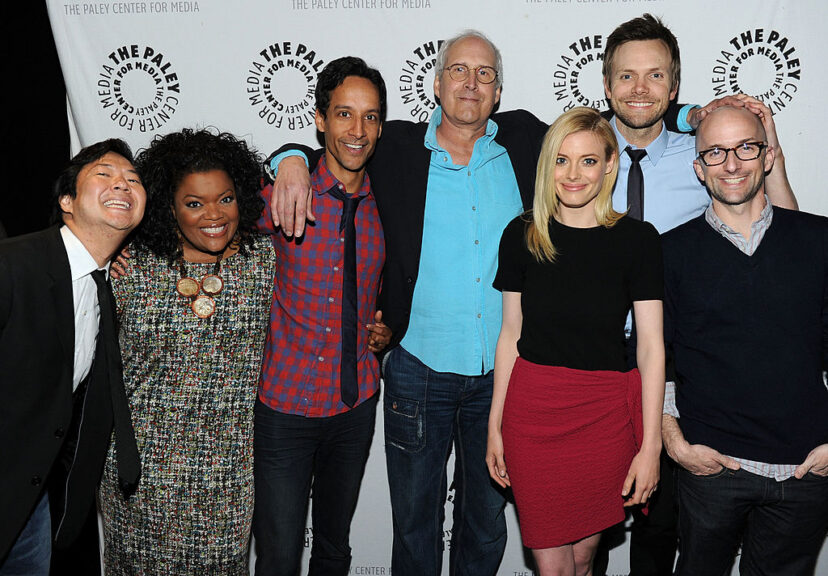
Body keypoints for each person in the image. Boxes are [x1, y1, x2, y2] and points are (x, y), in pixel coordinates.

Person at [267, 29, 695, 576]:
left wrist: (695, 117)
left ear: (498, 92)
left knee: (486, 526)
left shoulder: (526, 140)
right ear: (437, 84)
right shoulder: (393, 146)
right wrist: (290, 158)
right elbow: (340, 145)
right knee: (416, 526)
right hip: (417, 369)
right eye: (459, 71)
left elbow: (616, 124)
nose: (471, 82)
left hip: (506, 380)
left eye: (485, 73)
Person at [595, 14, 798, 575]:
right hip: (592, 362)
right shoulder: (580, 156)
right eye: (628, 76)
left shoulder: (707, 158)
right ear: (607, 85)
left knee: (662, 528)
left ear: (674, 86)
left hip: (675, 364)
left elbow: (787, 236)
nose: (640, 89)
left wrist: (769, 147)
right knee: (583, 524)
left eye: (655, 75)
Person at [487, 107, 664, 576]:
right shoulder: (523, 235)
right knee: (553, 568)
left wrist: (649, 448)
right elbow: (510, 336)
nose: (573, 173)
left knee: (584, 562)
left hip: (605, 416)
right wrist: (495, 424)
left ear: (610, 164)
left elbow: (651, 347)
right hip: (533, 414)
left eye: (588, 161)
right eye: (562, 160)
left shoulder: (638, 240)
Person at [97, 128, 275, 575]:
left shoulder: (262, 260)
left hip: (227, 480)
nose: (213, 214)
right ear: (169, 207)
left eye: (225, 199)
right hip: (142, 477)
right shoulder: (129, 265)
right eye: (194, 203)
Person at [660, 105, 828, 576]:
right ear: (699, 167)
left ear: (768, 156)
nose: (731, 164)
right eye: (715, 152)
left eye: (745, 148)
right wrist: (676, 444)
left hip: (804, 472)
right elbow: (657, 357)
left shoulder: (818, 239)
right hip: (712, 470)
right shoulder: (669, 251)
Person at [253, 56, 389, 576]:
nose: (358, 131)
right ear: (318, 119)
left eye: (371, 116)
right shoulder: (285, 193)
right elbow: (205, 219)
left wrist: (386, 327)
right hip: (285, 407)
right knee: (281, 556)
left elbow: (392, 287)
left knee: (334, 549)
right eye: (344, 114)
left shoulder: (387, 204)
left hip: (354, 408)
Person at [0, 139, 144, 574]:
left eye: (133, 180)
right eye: (105, 174)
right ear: (67, 200)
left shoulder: (106, 285)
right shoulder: (13, 265)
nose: (122, 184)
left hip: (29, 500)